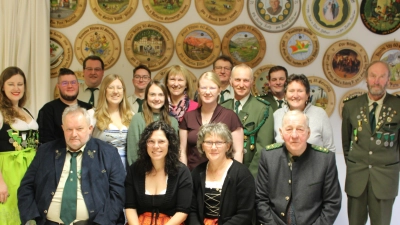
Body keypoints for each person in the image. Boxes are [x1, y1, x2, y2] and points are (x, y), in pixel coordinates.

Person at [18, 105, 126, 225]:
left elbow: (118, 193)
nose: (74, 134)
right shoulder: (46, 151)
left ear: (90, 129)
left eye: (79, 129)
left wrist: (101, 223)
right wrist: (31, 219)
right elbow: (26, 187)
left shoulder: (108, 153)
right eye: (69, 129)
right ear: (63, 128)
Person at [256, 110, 341, 224]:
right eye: (289, 129)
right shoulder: (268, 156)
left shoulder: (325, 159)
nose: (294, 135)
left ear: (308, 132)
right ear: (281, 133)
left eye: (300, 129)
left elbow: (332, 203)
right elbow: (260, 200)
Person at [342, 61, 400, 225]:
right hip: (357, 178)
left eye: (382, 76)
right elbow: (346, 143)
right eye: (373, 76)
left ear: (388, 80)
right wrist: (355, 164)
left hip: (385, 179)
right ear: (366, 78)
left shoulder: (398, 106)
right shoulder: (351, 106)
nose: (377, 81)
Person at [125, 121, 192, 225]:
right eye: (151, 141)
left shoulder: (182, 172)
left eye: (161, 141)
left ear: (170, 143)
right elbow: (130, 206)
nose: (155, 146)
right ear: (145, 144)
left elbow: (182, 211)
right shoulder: (134, 170)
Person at [188, 123, 255, 225]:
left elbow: (244, 214)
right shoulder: (197, 173)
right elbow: (192, 210)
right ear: (202, 146)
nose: (213, 147)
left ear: (228, 146)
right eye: (209, 142)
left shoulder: (242, 174)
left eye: (219, 142)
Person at [180, 71, 244, 171]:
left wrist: (234, 176)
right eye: (204, 88)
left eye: (212, 88)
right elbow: (182, 151)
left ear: (219, 90)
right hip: (193, 176)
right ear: (198, 90)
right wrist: (184, 176)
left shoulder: (230, 116)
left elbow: (238, 151)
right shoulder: (188, 116)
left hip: (223, 175)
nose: (208, 92)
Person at [0, 67, 39, 224]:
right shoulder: (1, 112)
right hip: (10, 171)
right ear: (2, 86)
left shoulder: (25, 110)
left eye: (20, 84)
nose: (16, 88)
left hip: (30, 170)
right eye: (11, 84)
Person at [220, 64, 274, 176]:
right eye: (237, 80)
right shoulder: (222, 108)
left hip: (250, 173)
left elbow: (263, 149)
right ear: (231, 81)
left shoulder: (263, 109)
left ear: (252, 82)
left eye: (245, 80)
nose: (241, 85)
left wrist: (248, 177)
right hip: (221, 172)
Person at [273, 74, 336, 152]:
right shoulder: (277, 115)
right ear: (285, 95)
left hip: (315, 164)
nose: (295, 95)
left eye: (300, 91)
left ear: (307, 95)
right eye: (291, 91)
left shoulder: (320, 114)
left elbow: (330, 149)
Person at [127, 80, 179, 165]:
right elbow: (133, 153)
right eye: (152, 94)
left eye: (160, 95)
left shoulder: (173, 122)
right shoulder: (137, 119)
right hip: (142, 171)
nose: (157, 99)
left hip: (167, 171)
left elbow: (174, 152)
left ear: (166, 98)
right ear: (146, 97)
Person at [88, 74, 134, 170]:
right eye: (111, 88)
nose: (115, 91)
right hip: (102, 170)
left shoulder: (132, 116)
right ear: (104, 91)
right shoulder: (92, 115)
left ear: (123, 91)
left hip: (128, 171)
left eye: (119, 88)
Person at [37, 68, 92, 144]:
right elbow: (45, 143)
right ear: (58, 86)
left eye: (73, 82)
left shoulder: (89, 109)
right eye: (65, 83)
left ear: (78, 85)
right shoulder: (47, 110)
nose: (70, 86)